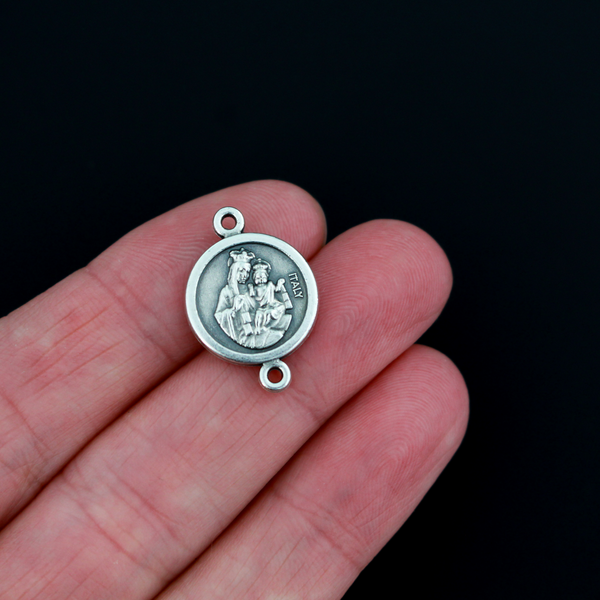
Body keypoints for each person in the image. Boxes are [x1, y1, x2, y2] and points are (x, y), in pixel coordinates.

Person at [0, 182, 467, 599]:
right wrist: (246, 317)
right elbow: (226, 317)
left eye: (257, 274)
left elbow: (282, 308)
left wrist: (269, 313)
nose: (254, 278)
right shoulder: (226, 296)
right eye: (249, 274)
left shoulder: (274, 290)